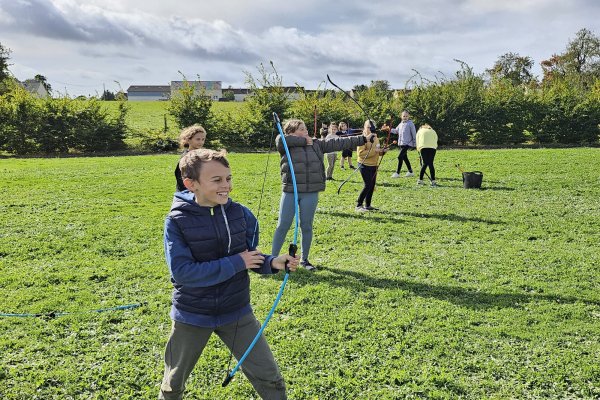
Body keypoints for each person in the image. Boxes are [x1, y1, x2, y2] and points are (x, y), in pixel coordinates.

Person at [160, 149, 299, 400]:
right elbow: (183, 273)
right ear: (191, 184)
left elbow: (249, 256)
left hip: (236, 311)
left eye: (228, 178)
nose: (226, 186)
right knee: (173, 383)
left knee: (271, 378)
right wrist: (237, 262)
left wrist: (273, 262)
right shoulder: (177, 220)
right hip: (192, 315)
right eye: (217, 180)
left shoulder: (241, 214)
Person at [272, 119, 366, 271]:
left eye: (306, 128)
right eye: (301, 129)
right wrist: (303, 141)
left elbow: (339, 143)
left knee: (306, 225)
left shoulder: (316, 144)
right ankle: (273, 260)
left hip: (310, 192)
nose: (306, 132)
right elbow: (280, 139)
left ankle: (305, 260)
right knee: (283, 225)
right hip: (291, 190)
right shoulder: (285, 144)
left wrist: (363, 138)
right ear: (291, 132)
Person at [356, 120, 388, 212]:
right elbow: (361, 154)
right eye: (368, 127)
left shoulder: (376, 137)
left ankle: (368, 205)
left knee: (372, 185)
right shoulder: (362, 138)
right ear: (364, 127)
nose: (370, 129)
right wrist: (376, 151)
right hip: (364, 164)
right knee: (368, 185)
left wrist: (383, 151)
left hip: (374, 165)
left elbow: (378, 152)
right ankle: (358, 205)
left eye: (372, 127)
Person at [175, 124, 206, 192]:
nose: (201, 142)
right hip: (186, 193)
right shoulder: (185, 158)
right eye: (198, 139)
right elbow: (180, 178)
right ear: (188, 140)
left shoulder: (202, 155)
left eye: (203, 139)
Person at [390, 111, 417, 178]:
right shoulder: (400, 124)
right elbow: (396, 131)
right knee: (405, 157)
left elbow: (414, 133)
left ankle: (397, 173)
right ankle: (410, 172)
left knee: (400, 157)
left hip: (407, 143)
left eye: (406, 116)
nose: (405, 117)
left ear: (409, 117)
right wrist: (389, 129)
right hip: (401, 143)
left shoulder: (410, 124)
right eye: (404, 116)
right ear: (401, 117)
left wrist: (415, 143)